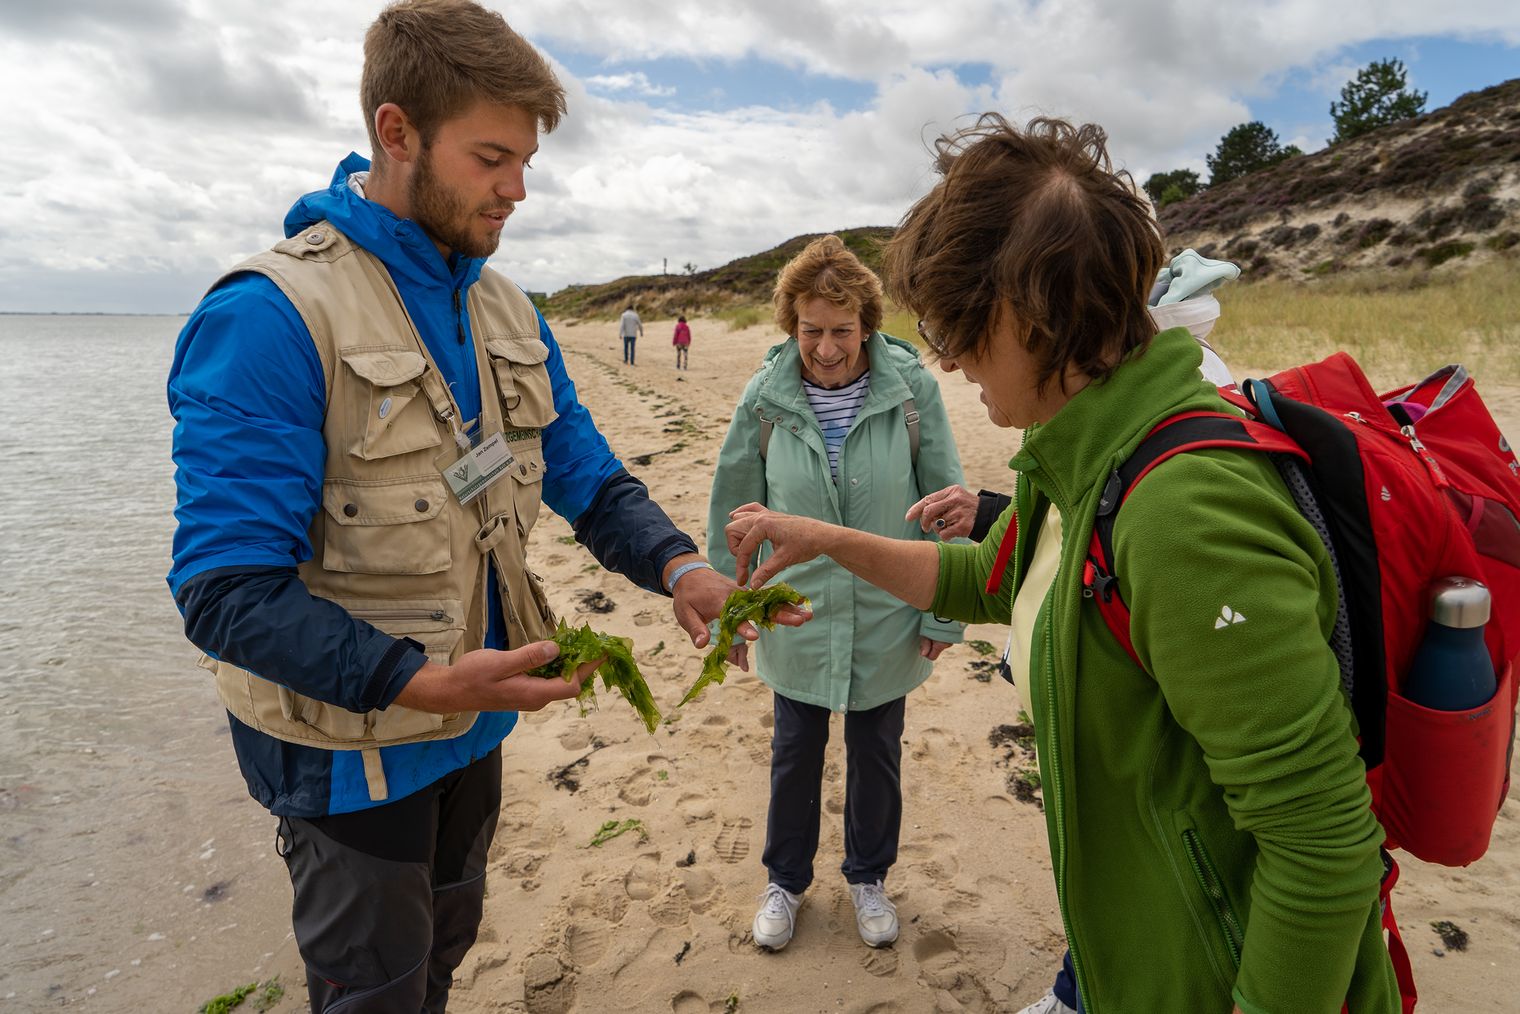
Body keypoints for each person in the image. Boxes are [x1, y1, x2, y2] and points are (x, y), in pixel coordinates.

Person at [165, 4, 804, 1011]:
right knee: (369, 992)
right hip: (347, 761)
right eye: (492, 158)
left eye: (526, 164)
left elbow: (587, 477)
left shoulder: (505, 308)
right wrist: (415, 681)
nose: (515, 189)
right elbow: (224, 592)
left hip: (473, 731)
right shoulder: (268, 317)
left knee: (445, 950)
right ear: (396, 131)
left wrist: (681, 568)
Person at [725, 117, 1400, 1013]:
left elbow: (1321, 846)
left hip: (1204, 978)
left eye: (956, 325)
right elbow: (984, 579)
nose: (947, 357)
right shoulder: (1079, 457)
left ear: (1029, 314)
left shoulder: (1182, 514)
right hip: (1128, 958)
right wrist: (830, 538)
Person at [706, 235, 966, 953]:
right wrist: (727, 608)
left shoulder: (911, 391)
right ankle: (784, 882)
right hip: (796, 607)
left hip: (890, 603)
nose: (826, 348)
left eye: (842, 331)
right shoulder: (765, 396)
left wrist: (944, 610)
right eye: (811, 330)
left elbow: (947, 501)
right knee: (796, 749)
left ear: (867, 326)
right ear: (792, 325)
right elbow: (732, 502)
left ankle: (868, 878)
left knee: (877, 748)